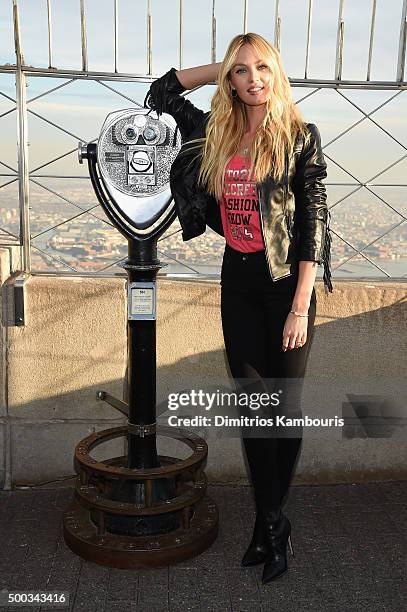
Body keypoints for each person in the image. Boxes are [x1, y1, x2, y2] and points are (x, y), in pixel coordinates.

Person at [145, 32, 333, 584]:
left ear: (277, 74)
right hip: (239, 281)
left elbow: (311, 223)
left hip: (286, 287)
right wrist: (218, 66)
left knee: (283, 410)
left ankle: (269, 526)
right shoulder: (214, 131)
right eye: (241, 71)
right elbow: (160, 94)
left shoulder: (301, 136)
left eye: (262, 69)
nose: (254, 79)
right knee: (255, 413)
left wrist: (300, 305)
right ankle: (273, 524)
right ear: (231, 79)